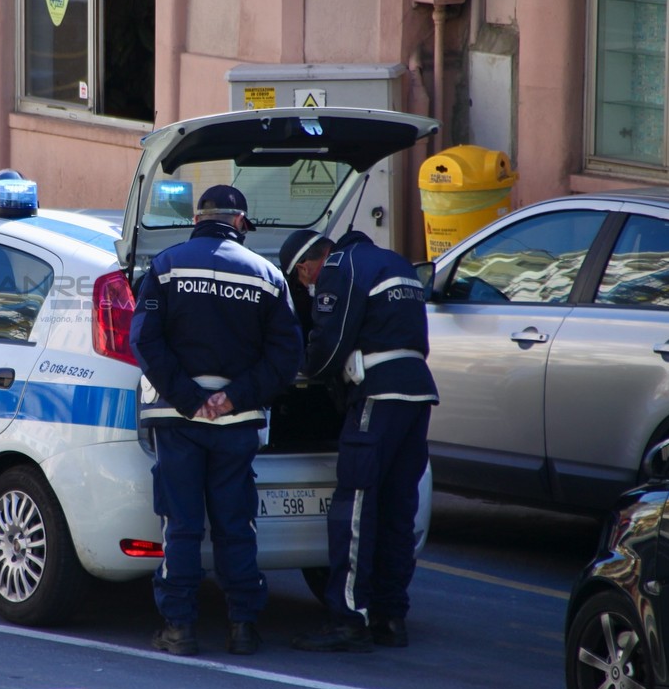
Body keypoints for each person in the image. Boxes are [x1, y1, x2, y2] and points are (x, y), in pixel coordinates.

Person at [130, 184, 303, 656]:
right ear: (241, 223)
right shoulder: (268, 275)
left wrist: (190, 398)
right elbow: (287, 356)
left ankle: (179, 629)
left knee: (181, 523)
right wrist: (232, 398)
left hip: (178, 418)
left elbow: (144, 340)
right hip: (238, 421)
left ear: (196, 220)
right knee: (235, 523)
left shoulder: (165, 266)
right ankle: (243, 627)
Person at [284, 228, 438, 653]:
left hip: (379, 395)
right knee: (396, 509)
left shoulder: (339, 265)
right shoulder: (399, 265)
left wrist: (298, 367)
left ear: (308, 262)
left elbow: (329, 345)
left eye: (301, 276)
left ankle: (347, 618)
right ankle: (391, 618)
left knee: (355, 507)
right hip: (417, 393)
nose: (305, 285)